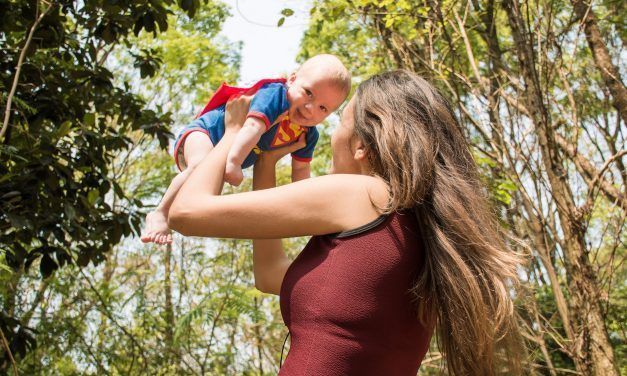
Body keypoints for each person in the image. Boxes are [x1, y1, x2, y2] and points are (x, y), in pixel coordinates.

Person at [167, 70, 523, 375]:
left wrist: (231, 133)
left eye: (339, 121)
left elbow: (187, 212)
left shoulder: (362, 194)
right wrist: (266, 161)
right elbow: (270, 274)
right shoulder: (417, 230)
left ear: (361, 147)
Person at [141, 54, 351, 245]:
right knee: (199, 165)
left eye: (323, 108)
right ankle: (160, 213)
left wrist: (308, 206)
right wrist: (234, 162)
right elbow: (252, 127)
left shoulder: (308, 134)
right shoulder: (275, 96)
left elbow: (301, 172)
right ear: (293, 80)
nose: (310, 108)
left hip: (225, 153)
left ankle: (177, 214)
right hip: (206, 132)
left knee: (206, 193)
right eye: (308, 93)